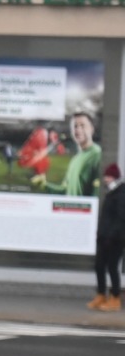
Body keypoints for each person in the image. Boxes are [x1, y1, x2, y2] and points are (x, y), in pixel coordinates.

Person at [34, 111, 101, 196]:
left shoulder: (97, 155)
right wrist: (45, 185)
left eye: (82, 125)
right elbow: (65, 190)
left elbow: (97, 195)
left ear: (91, 129)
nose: (78, 130)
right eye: (75, 126)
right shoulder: (75, 159)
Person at [89, 162, 125, 312]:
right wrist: (100, 234)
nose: (105, 179)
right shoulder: (111, 193)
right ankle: (101, 294)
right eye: (105, 176)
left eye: (108, 176)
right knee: (99, 266)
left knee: (111, 267)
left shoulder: (120, 194)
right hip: (104, 238)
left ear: (115, 177)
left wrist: (111, 236)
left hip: (115, 239)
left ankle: (115, 298)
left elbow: (120, 218)